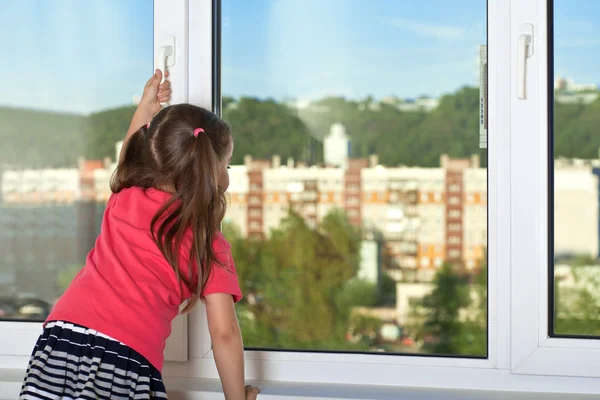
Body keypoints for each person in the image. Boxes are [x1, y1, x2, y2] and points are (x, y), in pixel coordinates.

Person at [20, 70, 260, 400]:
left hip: (60, 337)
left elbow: (128, 157)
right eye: (227, 165)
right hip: (125, 358)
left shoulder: (127, 197)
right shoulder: (209, 243)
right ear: (211, 171)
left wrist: (146, 106)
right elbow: (225, 334)